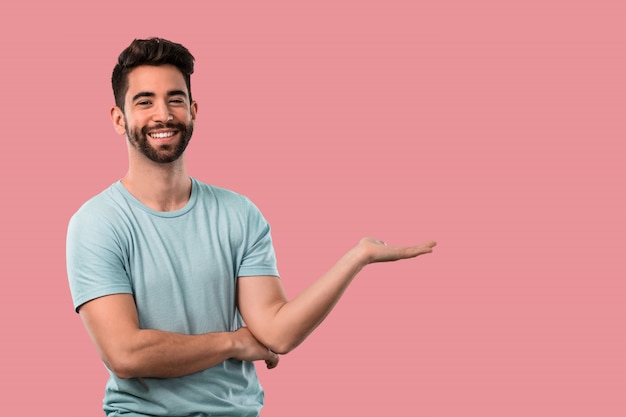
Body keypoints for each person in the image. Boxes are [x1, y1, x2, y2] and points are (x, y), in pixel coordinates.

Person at [66, 37, 436, 417]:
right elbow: (125, 353)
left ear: (193, 111)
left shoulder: (238, 214)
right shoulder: (97, 224)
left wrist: (358, 257)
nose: (163, 114)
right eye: (144, 101)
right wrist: (233, 343)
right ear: (118, 118)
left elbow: (276, 331)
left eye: (175, 99)